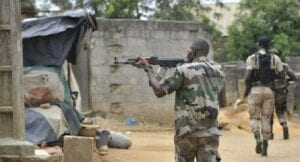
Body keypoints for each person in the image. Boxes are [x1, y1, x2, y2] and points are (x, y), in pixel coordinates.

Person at [137, 39, 225, 162]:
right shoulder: (219, 70)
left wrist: (148, 69)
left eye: (188, 51)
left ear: (194, 51)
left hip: (187, 131)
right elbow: (222, 101)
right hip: (210, 132)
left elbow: (159, 91)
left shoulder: (184, 69)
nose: (186, 54)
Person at [243, 36, 285, 156]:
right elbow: (282, 76)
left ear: (258, 45)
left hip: (255, 90)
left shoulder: (252, 58)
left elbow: (247, 78)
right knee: (266, 118)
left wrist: (246, 91)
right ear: (268, 45)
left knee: (254, 118)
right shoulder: (275, 58)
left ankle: (258, 139)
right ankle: (265, 147)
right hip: (269, 91)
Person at [269, 49, 297, 140]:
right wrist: (286, 82)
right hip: (281, 91)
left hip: (269, 90)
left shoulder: (267, 66)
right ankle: (284, 125)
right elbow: (294, 77)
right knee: (280, 110)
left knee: (268, 112)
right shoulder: (284, 65)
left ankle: (270, 134)